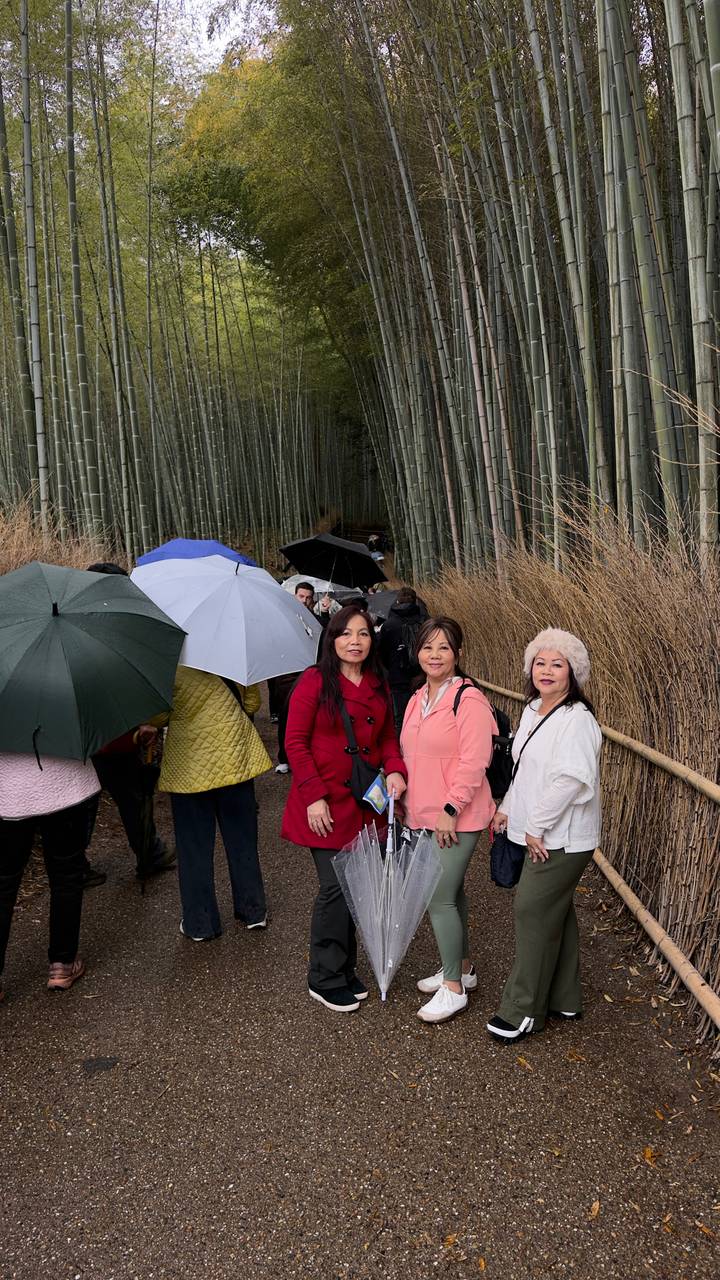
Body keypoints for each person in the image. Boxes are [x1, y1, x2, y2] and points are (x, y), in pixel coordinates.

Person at [281, 604, 407, 1013]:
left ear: (373, 640)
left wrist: (396, 770)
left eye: (364, 634)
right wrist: (314, 795)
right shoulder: (315, 681)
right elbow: (294, 742)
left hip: (366, 801)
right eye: (346, 634)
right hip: (326, 802)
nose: (355, 642)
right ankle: (324, 975)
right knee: (334, 887)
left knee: (357, 885)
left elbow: (389, 736)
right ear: (331, 639)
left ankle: (345, 967)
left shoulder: (378, 682)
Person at [486, 629, 602, 1042]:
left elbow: (570, 781)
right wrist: (507, 809)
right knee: (556, 911)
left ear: (574, 671)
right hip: (539, 830)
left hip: (563, 838)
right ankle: (564, 997)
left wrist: (535, 826)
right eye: (540, 662)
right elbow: (525, 770)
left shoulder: (578, 720)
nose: (547, 670)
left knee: (531, 911)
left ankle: (522, 1009)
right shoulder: (534, 709)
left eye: (557, 663)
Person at [400, 618, 497, 1024]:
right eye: (427, 647)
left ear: (457, 653)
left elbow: (476, 761)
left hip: (458, 816)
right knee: (452, 895)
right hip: (424, 813)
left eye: (443, 648)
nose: (434, 655)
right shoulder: (416, 697)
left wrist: (451, 809)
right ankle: (463, 967)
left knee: (437, 897)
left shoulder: (468, 699)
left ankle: (453, 988)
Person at [158, 668, 272, 940]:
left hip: (189, 768)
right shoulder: (234, 659)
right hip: (235, 760)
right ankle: (253, 911)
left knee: (194, 848)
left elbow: (158, 715)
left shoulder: (169, 663)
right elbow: (252, 704)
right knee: (242, 840)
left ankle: (200, 923)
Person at [82, 561, 174, 887]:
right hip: (115, 735)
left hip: (81, 737)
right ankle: (149, 854)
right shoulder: (118, 626)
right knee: (131, 798)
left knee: (85, 802)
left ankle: (75, 863)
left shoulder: (72, 621)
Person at [0, 753, 100, 998]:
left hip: (8, 789)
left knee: (3, 882)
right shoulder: (61, 712)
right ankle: (62, 965)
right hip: (62, 783)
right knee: (66, 875)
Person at [273, 582, 322, 775]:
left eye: (309, 597)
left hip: (310, 673)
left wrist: (325, 615)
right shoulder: (283, 620)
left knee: (311, 718)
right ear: (295, 596)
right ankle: (284, 757)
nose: (305, 601)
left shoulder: (317, 621)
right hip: (287, 675)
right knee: (286, 717)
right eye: (301, 596)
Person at [379, 587, 429, 732]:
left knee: (401, 718)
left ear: (397, 600)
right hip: (423, 676)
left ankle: (402, 750)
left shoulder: (389, 625)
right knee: (423, 715)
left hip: (397, 678)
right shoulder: (426, 622)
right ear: (415, 601)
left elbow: (382, 653)